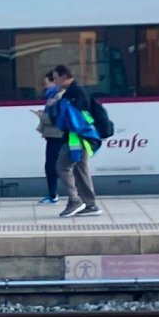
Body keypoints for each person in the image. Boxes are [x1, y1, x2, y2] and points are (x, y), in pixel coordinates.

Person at [48, 65, 103, 218]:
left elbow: (74, 118)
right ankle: (91, 204)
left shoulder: (74, 92)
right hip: (82, 138)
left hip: (76, 138)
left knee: (62, 167)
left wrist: (56, 107)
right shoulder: (77, 90)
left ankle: (75, 200)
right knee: (81, 169)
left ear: (64, 76)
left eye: (56, 77)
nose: (55, 81)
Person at [34, 72, 66, 205]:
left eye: (47, 83)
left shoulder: (56, 96)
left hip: (56, 135)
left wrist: (42, 116)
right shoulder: (53, 96)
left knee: (52, 165)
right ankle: (54, 194)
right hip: (53, 135)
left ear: (54, 82)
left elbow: (56, 117)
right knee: (55, 165)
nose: (45, 86)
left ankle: (53, 195)